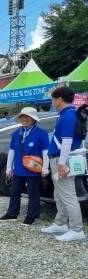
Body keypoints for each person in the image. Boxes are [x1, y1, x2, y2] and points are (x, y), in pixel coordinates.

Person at [41, 86, 86, 241]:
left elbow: (67, 141)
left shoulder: (68, 116)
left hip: (63, 159)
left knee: (68, 195)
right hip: (61, 158)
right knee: (59, 194)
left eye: (53, 99)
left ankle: (76, 229)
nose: (52, 102)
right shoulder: (68, 114)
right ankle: (60, 223)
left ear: (59, 99)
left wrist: (61, 164)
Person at [0, 107, 49, 226]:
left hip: (33, 169)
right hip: (19, 169)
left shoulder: (41, 133)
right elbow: (11, 150)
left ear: (33, 119)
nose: (24, 119)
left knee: (33, 193)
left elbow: (45, 151)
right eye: (22, 117)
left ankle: (32, 216)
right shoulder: (16, 133)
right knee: (15, 192)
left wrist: (45, 168)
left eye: (27, 117)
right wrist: (9, 168)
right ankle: (12, 213)